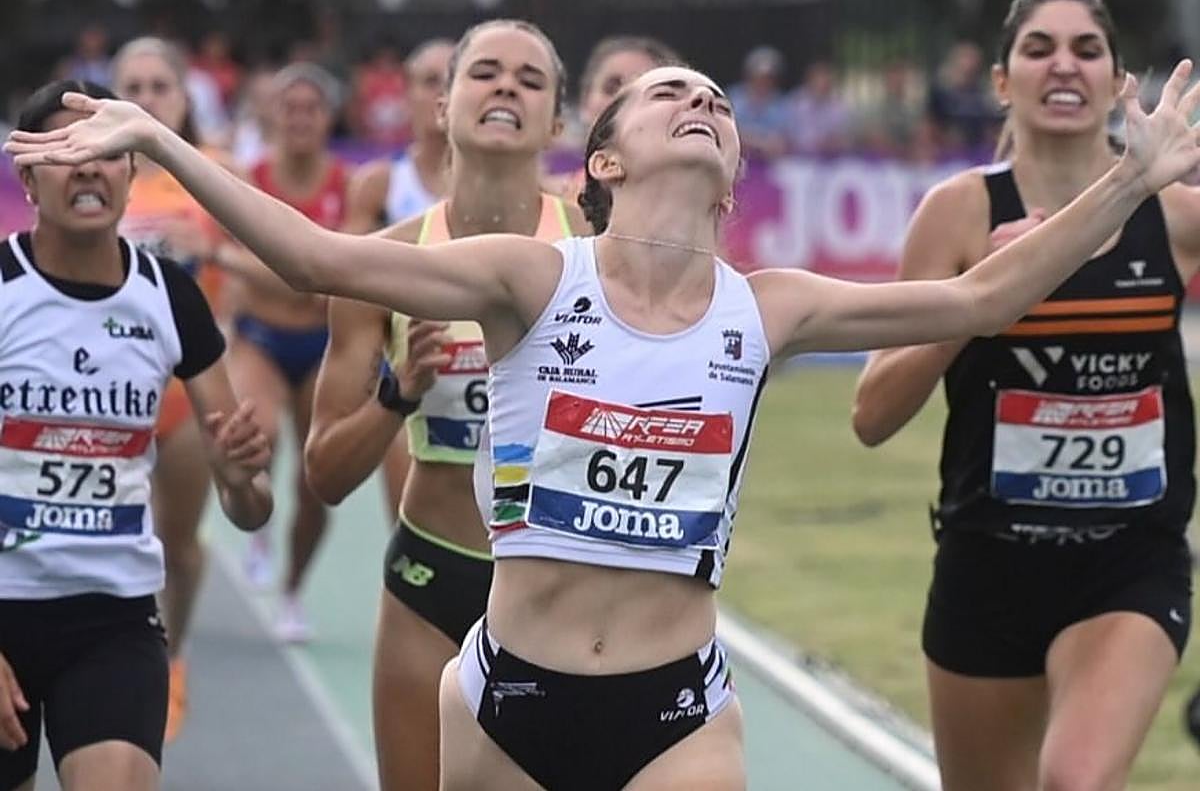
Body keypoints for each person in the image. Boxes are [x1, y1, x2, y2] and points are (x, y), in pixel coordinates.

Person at [7, 42, 1200, 791]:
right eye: (664, 94)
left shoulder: (768, 307)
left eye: (716, 100)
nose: (699, 101)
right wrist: (161, 139)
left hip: (679, 708)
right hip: (505, 702)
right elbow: (318, 252)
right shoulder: (528, 279)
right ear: (605, 166)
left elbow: (985, 292)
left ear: (734, 171)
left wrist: (1130, 180)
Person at [852, 0, 1200, 791]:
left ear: (1120, 82)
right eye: (1039, 48)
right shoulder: (961, 212)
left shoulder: (1173, 215)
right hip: (987, 564)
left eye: (1087, 49)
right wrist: (980, 296)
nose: (1064, 65)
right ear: (1004, 82)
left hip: (1130, 563)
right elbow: (872, 415)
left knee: (1074, 781)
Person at [304, 19, 589, 790]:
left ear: (557, 121)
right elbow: (325, 472)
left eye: (530, 80)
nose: (506, 88)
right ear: (444, 105)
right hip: (433, 579)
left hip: (563, 593)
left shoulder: (599, 253)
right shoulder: (384, 266)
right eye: (486, 73)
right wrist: (398, 393)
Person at [0, 79, 271, 791]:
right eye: (66, 148)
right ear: (28, 176)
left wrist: (242, 474)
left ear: (132, 171)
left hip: (113, 619)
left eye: (108, 149)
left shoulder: (169, 297)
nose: (89, 164)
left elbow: (251, 508)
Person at [109, 35, 237, 743]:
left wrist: (211, 253)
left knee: (176, 544)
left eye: (161, 86)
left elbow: (279, 266)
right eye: (134, 85)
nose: (148, 98)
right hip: (108, 387)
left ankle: (171, 653)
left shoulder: (214, 173)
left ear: (185, 99)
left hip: (189, 388)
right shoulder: (93, 168)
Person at [201, 62, 348, 640]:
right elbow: (225, 255)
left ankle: (292, 589)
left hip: (323, 344)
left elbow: (342, 271)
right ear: (274, 117)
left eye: (312, 109)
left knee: (318, 477)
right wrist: (285, 273)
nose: (301, 119)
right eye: (290, 108)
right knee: (257, 434)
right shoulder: (249, 179)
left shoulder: (348, 184)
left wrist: (280, 272)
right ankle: (258, 528)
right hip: (260, 336)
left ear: (328, 119)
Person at [336, 38, 454, 520]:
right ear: (405, 95)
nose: (443, 93)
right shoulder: (381, 184)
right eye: (430, 81)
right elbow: (342, 275)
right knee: (413, 526)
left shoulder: (520, 192)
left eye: (455, 79)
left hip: (494, 373)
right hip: (412, 371)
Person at [550, 35, 680, 203]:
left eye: (645, 89)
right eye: (611, 87)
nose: (623, 100)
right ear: (585, 102)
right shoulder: (547, 200)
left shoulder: (716, 206)